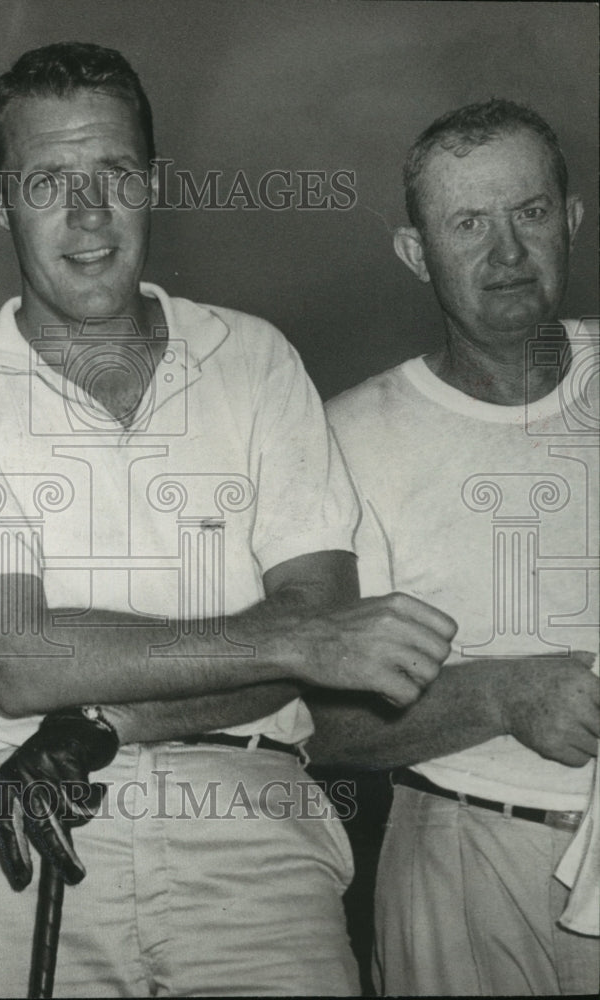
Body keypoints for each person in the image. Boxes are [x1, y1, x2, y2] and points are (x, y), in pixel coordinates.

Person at [0, 41, 456, 997]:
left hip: (253, 819)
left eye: (114, 173)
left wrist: (105, 715)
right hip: (21, 816)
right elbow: (22, 660)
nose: (88, 214)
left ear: (152, 182)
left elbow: (325, 626)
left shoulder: (256, 360)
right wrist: (287, 641)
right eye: (48, 181)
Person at [308, 99, 599, 995]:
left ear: (574, 220)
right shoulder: (350, 439)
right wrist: (506, 695)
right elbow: (325, 724)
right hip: (465, 858)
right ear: (414, 253)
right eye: (468, 223)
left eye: (531, 213)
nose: (507, 253)